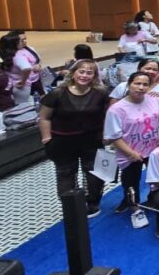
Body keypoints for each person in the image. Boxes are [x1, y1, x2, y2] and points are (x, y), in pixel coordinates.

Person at [38, 59, 111, 217]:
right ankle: (71, 205)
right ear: (73, 73)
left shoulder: (101, 93)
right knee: (66, 173)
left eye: (89, 72)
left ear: (94, 76)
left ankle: (93, 202)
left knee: (94, 173)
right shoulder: (57, 93)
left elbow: (108, 115)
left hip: (92, 140)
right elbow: (44, 117)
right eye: (81, 71)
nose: (84, 75)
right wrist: (46, 138)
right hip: (63, 141)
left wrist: (107, 134)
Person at [104, 72, 159, 213]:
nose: (141, 87)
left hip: (154, 149)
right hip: (130, 153)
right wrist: (131, 153)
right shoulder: (116, 109)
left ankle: (154, 200)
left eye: (145, 84)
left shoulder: (156, 101)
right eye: (137, 83)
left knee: (158, 178)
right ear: (129, 85)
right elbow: (114, 136)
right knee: (131, 181)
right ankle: (133, 206)